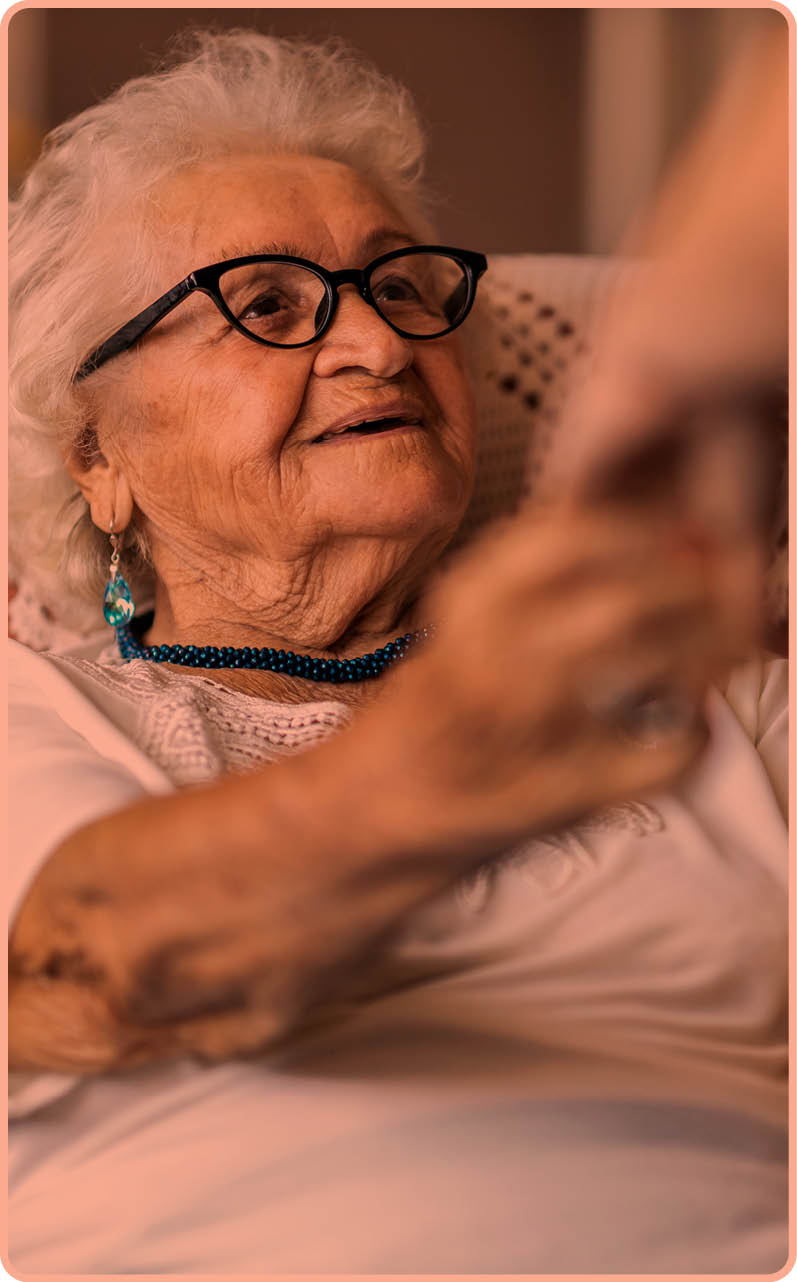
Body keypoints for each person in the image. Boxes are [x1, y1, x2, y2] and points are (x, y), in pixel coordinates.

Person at [8, 29, 787, 1274]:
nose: (376, 344)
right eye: (264, 305)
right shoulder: (26, 706)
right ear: (99, 458)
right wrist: (449, 755)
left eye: (405, 288)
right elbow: (77, 969)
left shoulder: (719, 678)